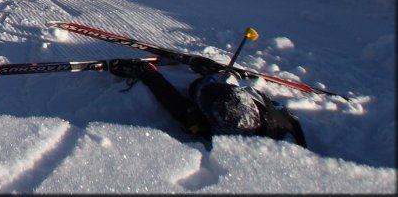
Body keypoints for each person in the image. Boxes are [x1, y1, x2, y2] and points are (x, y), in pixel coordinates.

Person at [108, 57, 306, 148]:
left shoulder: (208, 127)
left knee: (198, 95)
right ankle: (209, 80)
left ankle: (207, 83)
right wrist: (211, 69)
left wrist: (148, 74)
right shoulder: (276, 116)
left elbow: (173, 102)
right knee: (209, 87)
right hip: (232, 103)